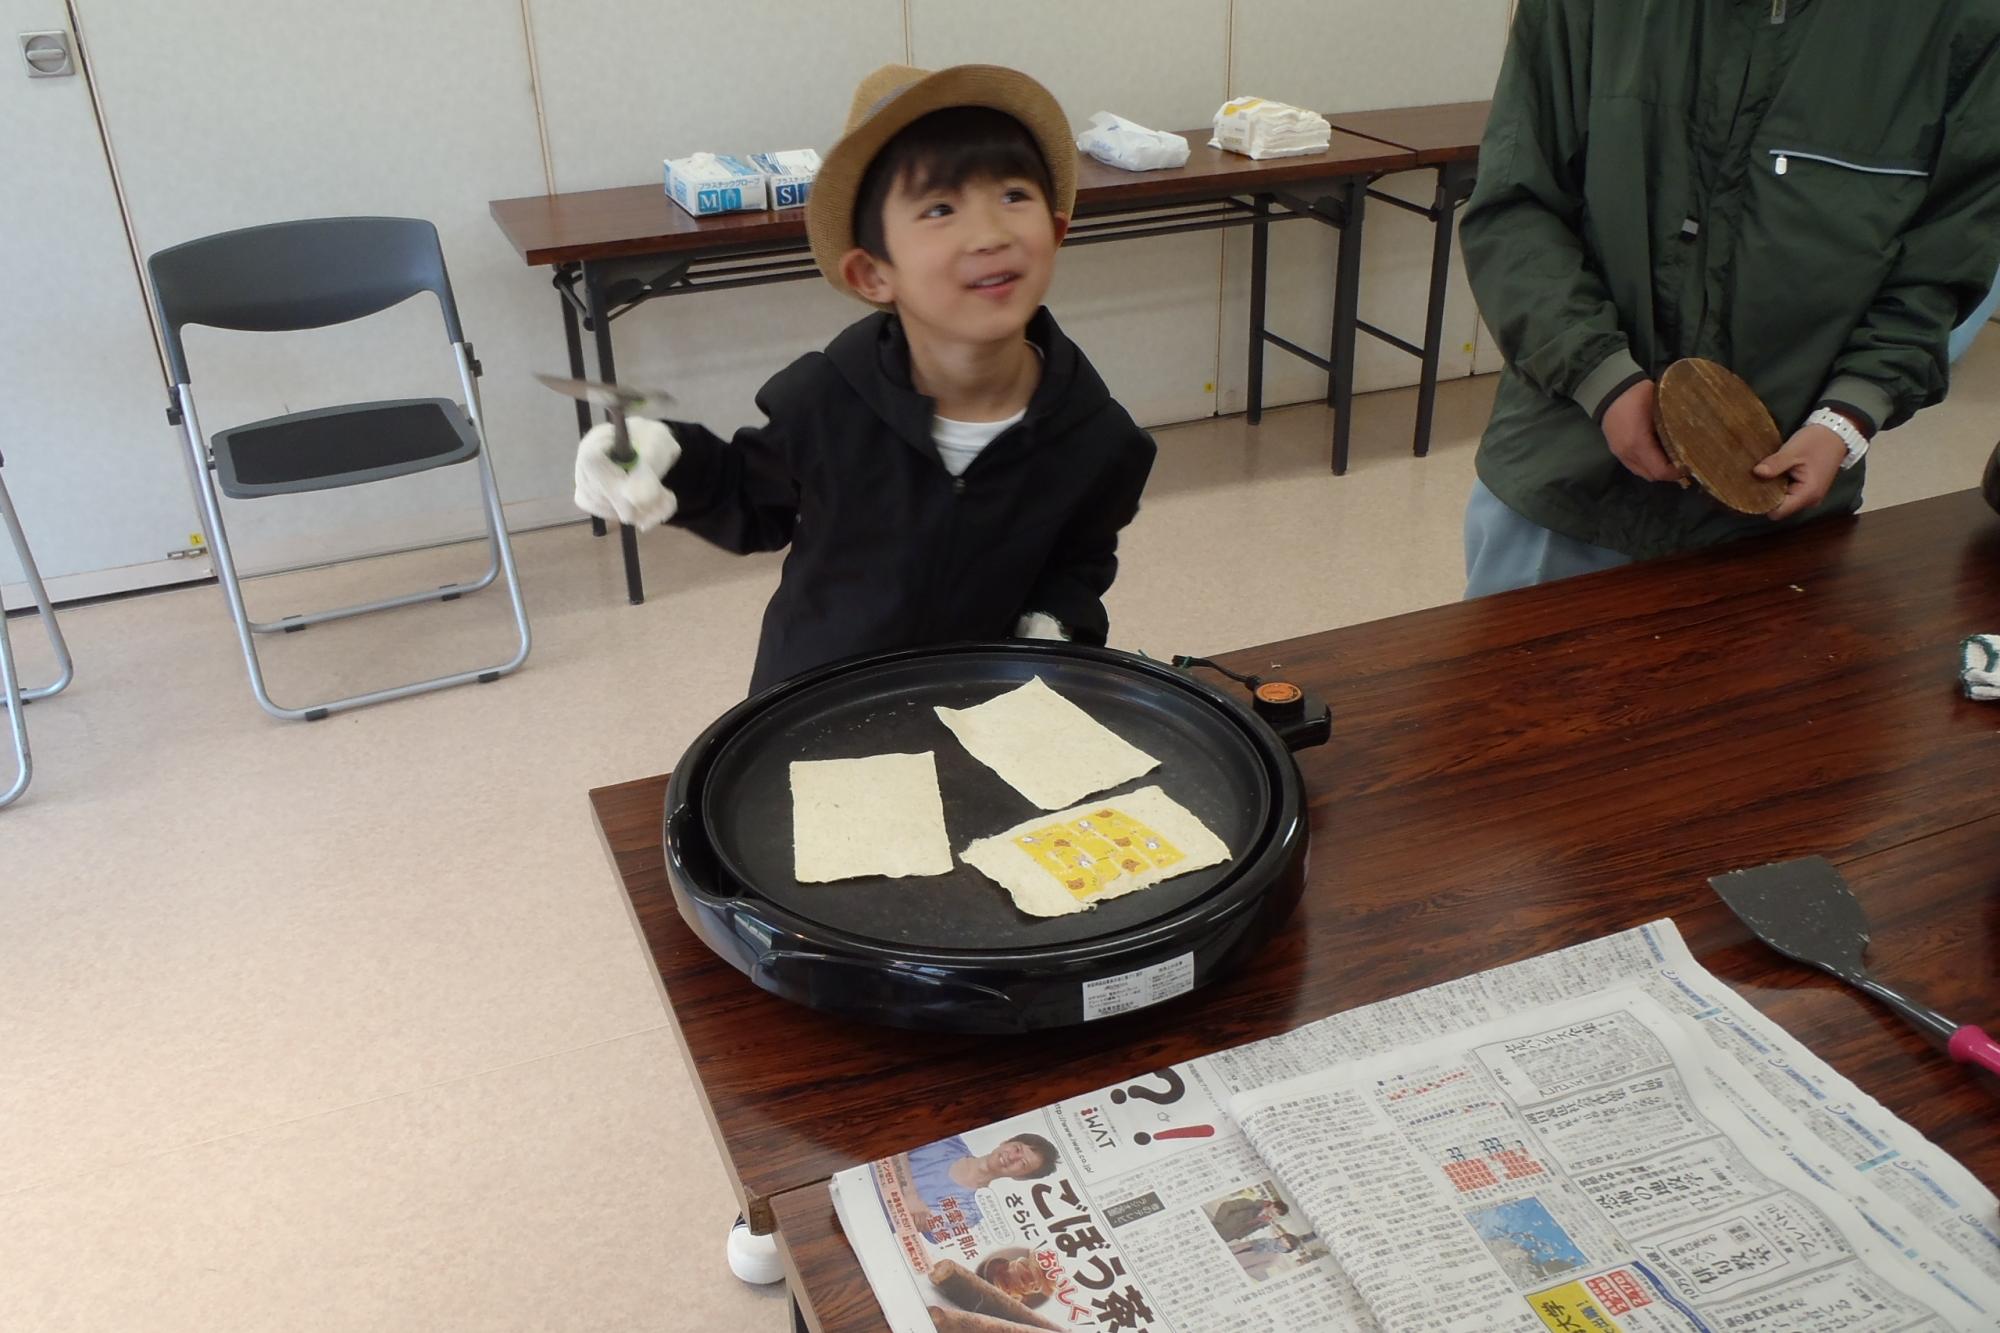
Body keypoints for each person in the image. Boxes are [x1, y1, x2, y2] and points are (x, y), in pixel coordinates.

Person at [574, 64, 1156, 695]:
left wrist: (1058, 624)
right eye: (940, 207)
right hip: (816, 699)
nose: (989, 233)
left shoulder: (1099, 437)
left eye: (1014, 196)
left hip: (983, 706)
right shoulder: (825, 401)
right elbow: (750, 500)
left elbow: (1080, 558)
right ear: (874, 276)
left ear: (1057, 230)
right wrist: (663, 457)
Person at [1459, 1, 2000, 599]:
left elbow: (1943, 261)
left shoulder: (1964, 22)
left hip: (1781, 516)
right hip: (1564, 480)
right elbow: (1515, 208)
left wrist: (1848, 415)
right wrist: (1598, 375)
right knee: (1527, 691)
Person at [887, 1132, 1060, 1241]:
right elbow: (895, 1142)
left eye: (1022, 1164)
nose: (1012, 1157)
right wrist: (910, 1195)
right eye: (1016, 1148)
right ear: (1005, 1141)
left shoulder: (970, 1212)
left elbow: (914, 1222)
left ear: (1020, 1178)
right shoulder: (948, 1140)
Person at [1208, 1195, 1290, 1244]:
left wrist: (1237, 1237)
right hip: (1217, 1228)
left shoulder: (1265, 1222)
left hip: (1226, 1238)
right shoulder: (1251, 1204)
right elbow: (1226, 1206)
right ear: (1272, 1205)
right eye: (1276, 1211)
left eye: (1278, 1214)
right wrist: (1218, 1222)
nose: (1275, 1214)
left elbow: (1250, 1231)